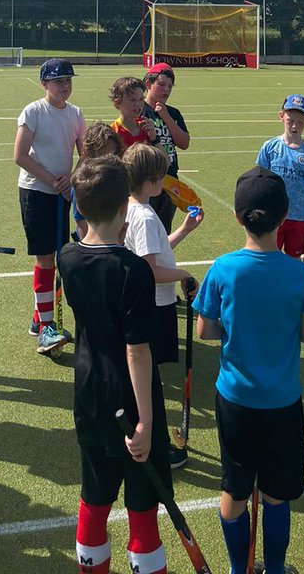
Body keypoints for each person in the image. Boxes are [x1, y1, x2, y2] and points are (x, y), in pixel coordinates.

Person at [194, 167, 304, 574]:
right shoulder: (298, 272)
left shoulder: (224, 268)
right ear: (283, 218)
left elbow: (206, 331)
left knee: (235, 490)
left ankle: (238, 568)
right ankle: (276, 568)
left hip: (236, 401)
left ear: (237, 216)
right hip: (282, 401)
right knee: (277, 495)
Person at [58, 155, 172, 574]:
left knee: (94, 495)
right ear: (125, 205)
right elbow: (137, 351)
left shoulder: (68, 256)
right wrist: (145, 420)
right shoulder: (132, 271)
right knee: (142, 507)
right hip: (131, 396)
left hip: (89, 391)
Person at [123, 143, 203, 472]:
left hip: (153, 303)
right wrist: (184, 274)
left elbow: (154, 253)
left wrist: (183, 229)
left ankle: (150, 438)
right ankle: (154, 445)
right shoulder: (142, 214)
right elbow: (150, 270)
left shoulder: (134, 207)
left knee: (148, 377)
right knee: (148, 381)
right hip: (154, 306)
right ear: (153, 180)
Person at [14, 58, 85, 355]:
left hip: (62, 193)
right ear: (44, 84)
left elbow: (85, 154)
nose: (64, 86)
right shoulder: (33, 111)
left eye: (68, 80)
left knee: (57, 256)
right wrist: (52, 181)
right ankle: (46, 329)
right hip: (36, 192)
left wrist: (70, 180)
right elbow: (20, 155)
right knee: (46, 259)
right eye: (57, 81)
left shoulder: (76, 113)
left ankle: (38, 319)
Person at [256, 94, 304, 258]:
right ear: (281, 116)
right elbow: (258, 184)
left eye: (300, 121)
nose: (295, 125)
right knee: (270, 260)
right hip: (273, 216)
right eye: (290, 120)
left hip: (299, 219)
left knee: (293, 261)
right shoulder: (269, 147)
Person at [142, 64, 190, 233]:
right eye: (161, 84)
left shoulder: (173, 113)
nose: (166, 90)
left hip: (169, 179)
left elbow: (184, 143)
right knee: (146, 229)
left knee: (163, 231)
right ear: (148, 84)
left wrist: (166, 117)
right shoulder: (139, 111)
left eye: (169, 86)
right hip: (147, 179)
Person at [71, 122, 124, 240]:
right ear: (91, 153)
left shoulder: (118, 177)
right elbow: (82, 225)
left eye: (113, 154)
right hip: (95, 245)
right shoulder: (83, 183)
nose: (108, 160)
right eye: (104, 155)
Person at [109, 77, 157, 151]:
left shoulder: (147, 128)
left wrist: (154, 139)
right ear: (117, 103)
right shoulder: (113, 132)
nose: (138, 104)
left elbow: (165, 161)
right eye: (132, 100)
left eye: (141, 99)